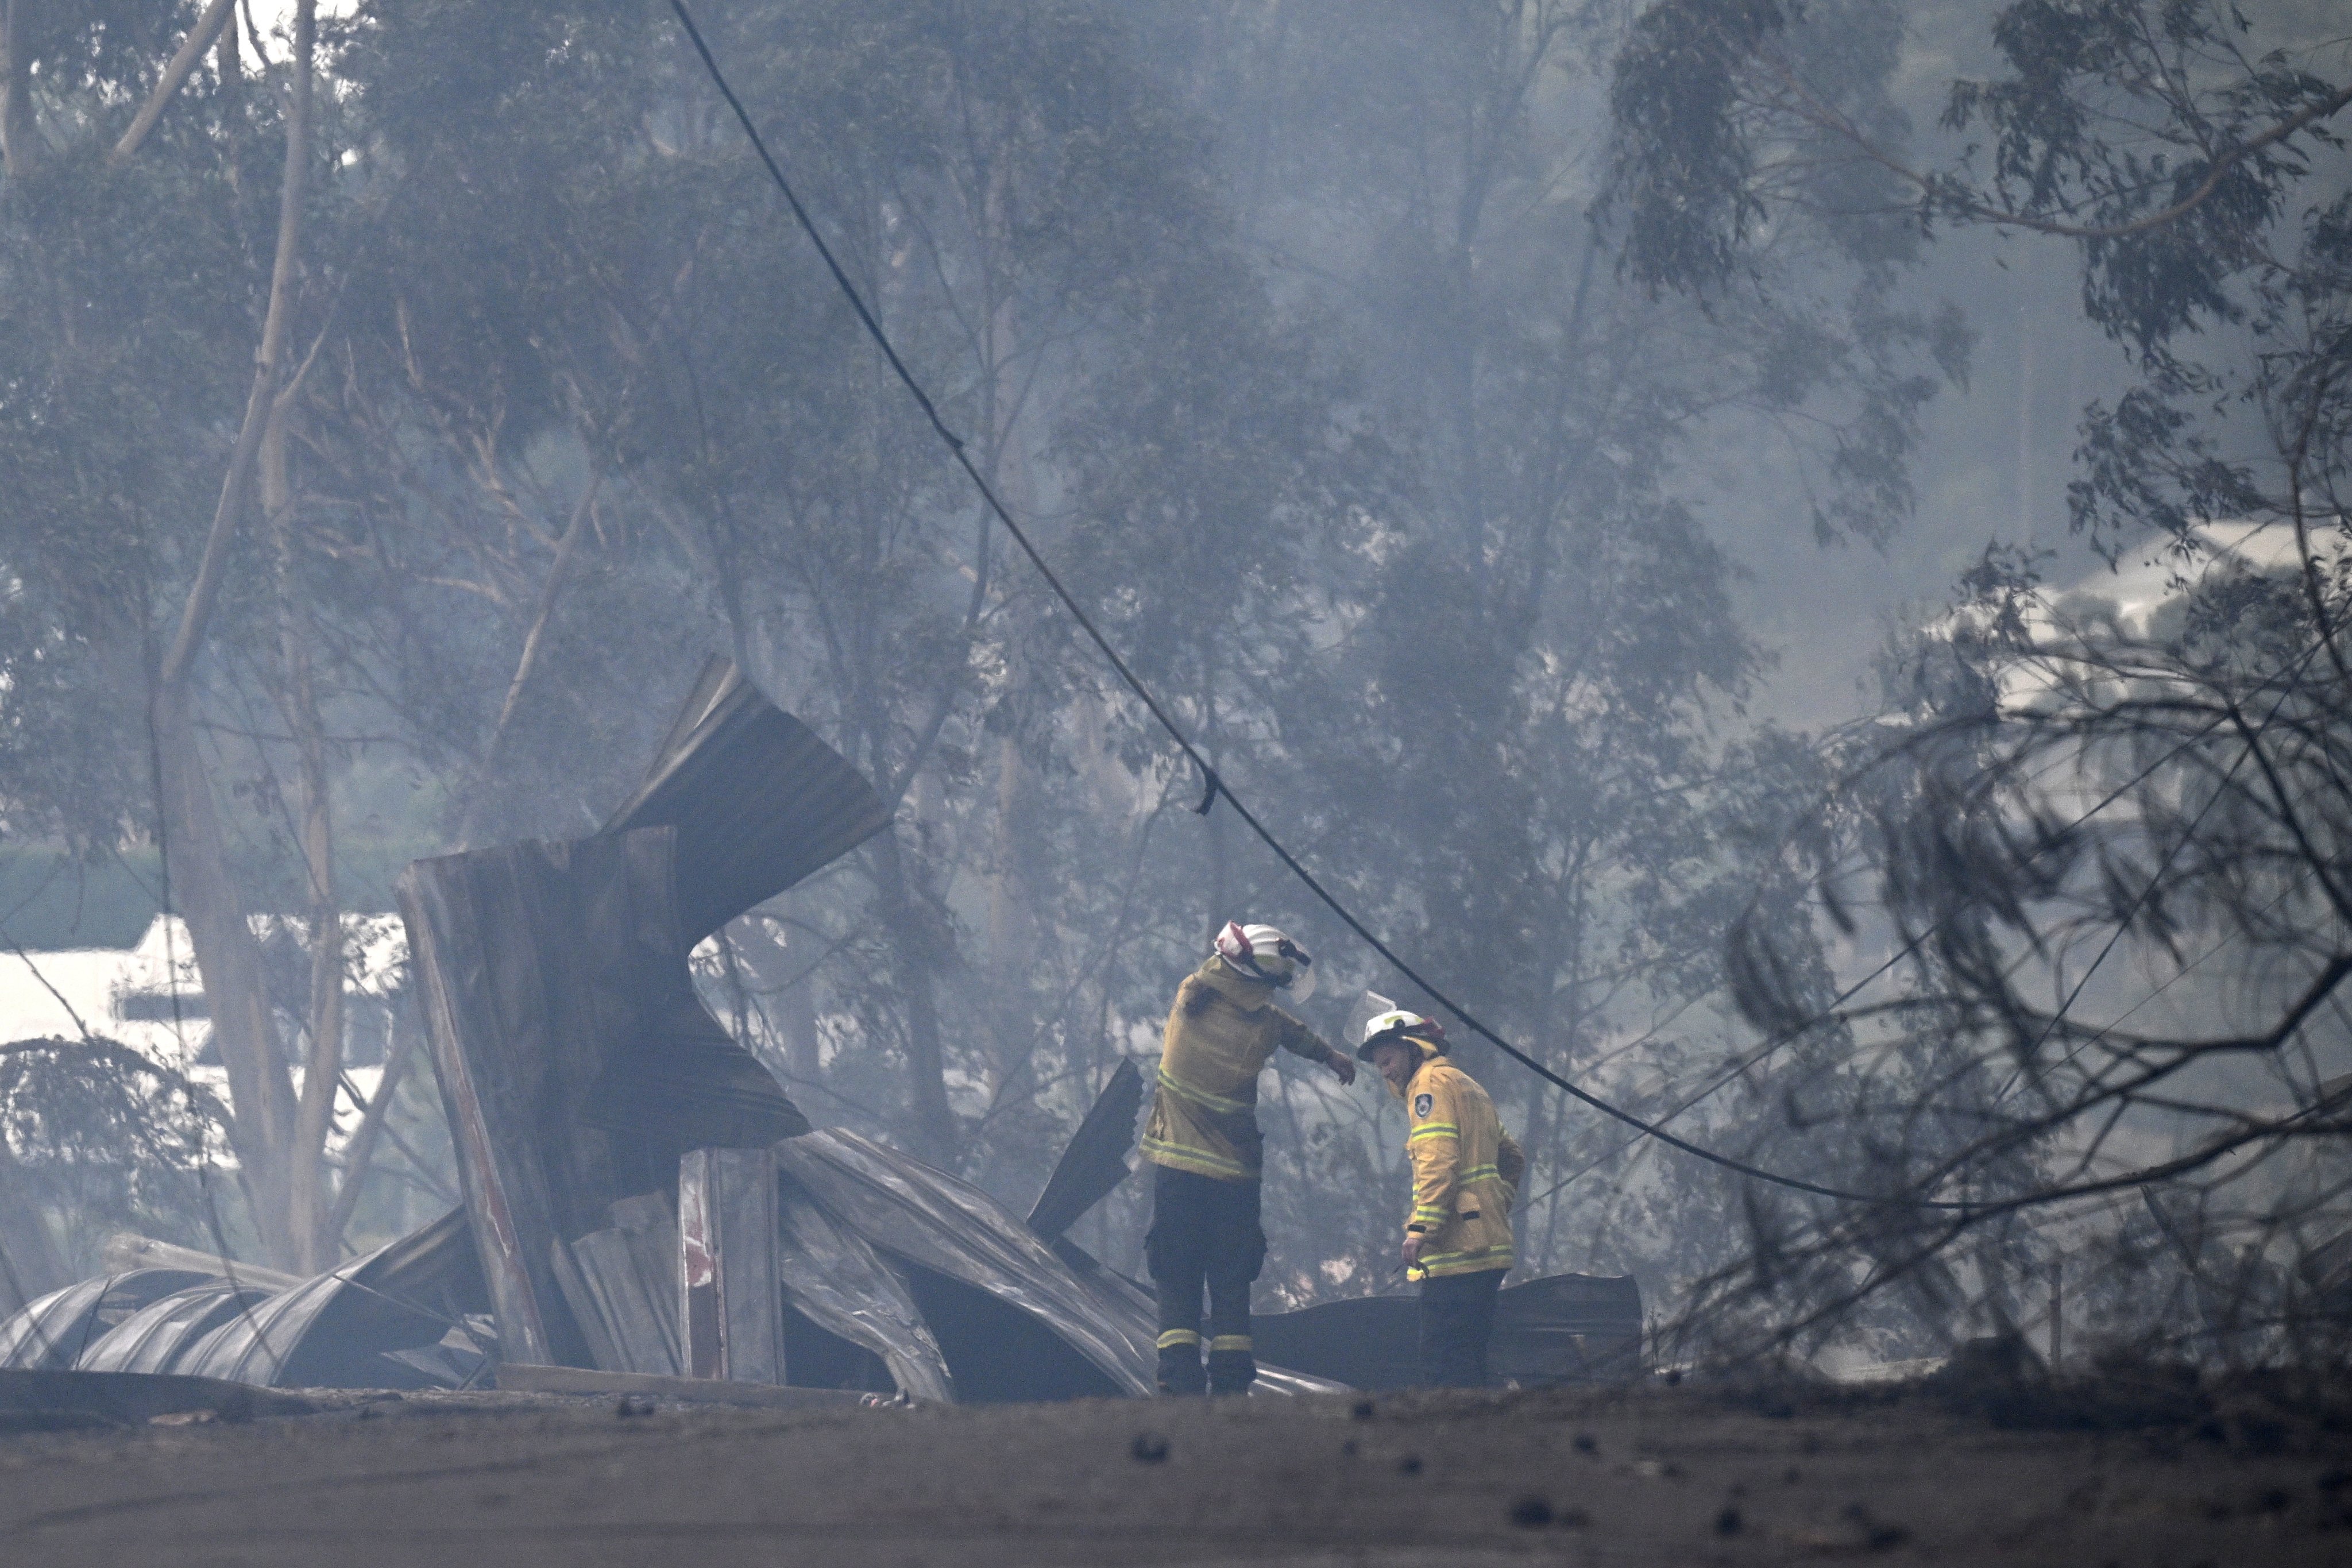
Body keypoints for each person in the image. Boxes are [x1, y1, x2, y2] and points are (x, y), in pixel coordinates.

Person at [1142, 921, 1355, 1395]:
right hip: (1235, 1182)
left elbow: (1218, 974)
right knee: (1230, 1278)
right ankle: (1233, 1382)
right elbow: (1289, 1030)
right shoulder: (1262, 1029)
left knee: (1176, 1275)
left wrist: (1243, 949)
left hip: (1178, 1174)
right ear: (1260, 985)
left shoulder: (1189, 998)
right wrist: (1330, 1057)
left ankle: (1179, 1382)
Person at [1357, 1007, 1524, 1387]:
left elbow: (1438, 1163)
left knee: (1443, 1361)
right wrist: (1495, 1204)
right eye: (1378, 1066)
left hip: (1456, 1251)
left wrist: (1420, 1229)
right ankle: (1481, 1437)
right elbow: (1512, 1156)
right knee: (1470, 1356)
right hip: (1487, 1245)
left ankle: (1449, 1441)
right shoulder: (1467, 1085)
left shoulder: (1428, 1086)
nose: (1384, 1072)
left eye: (1388, 1060)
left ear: (1413, 1047)